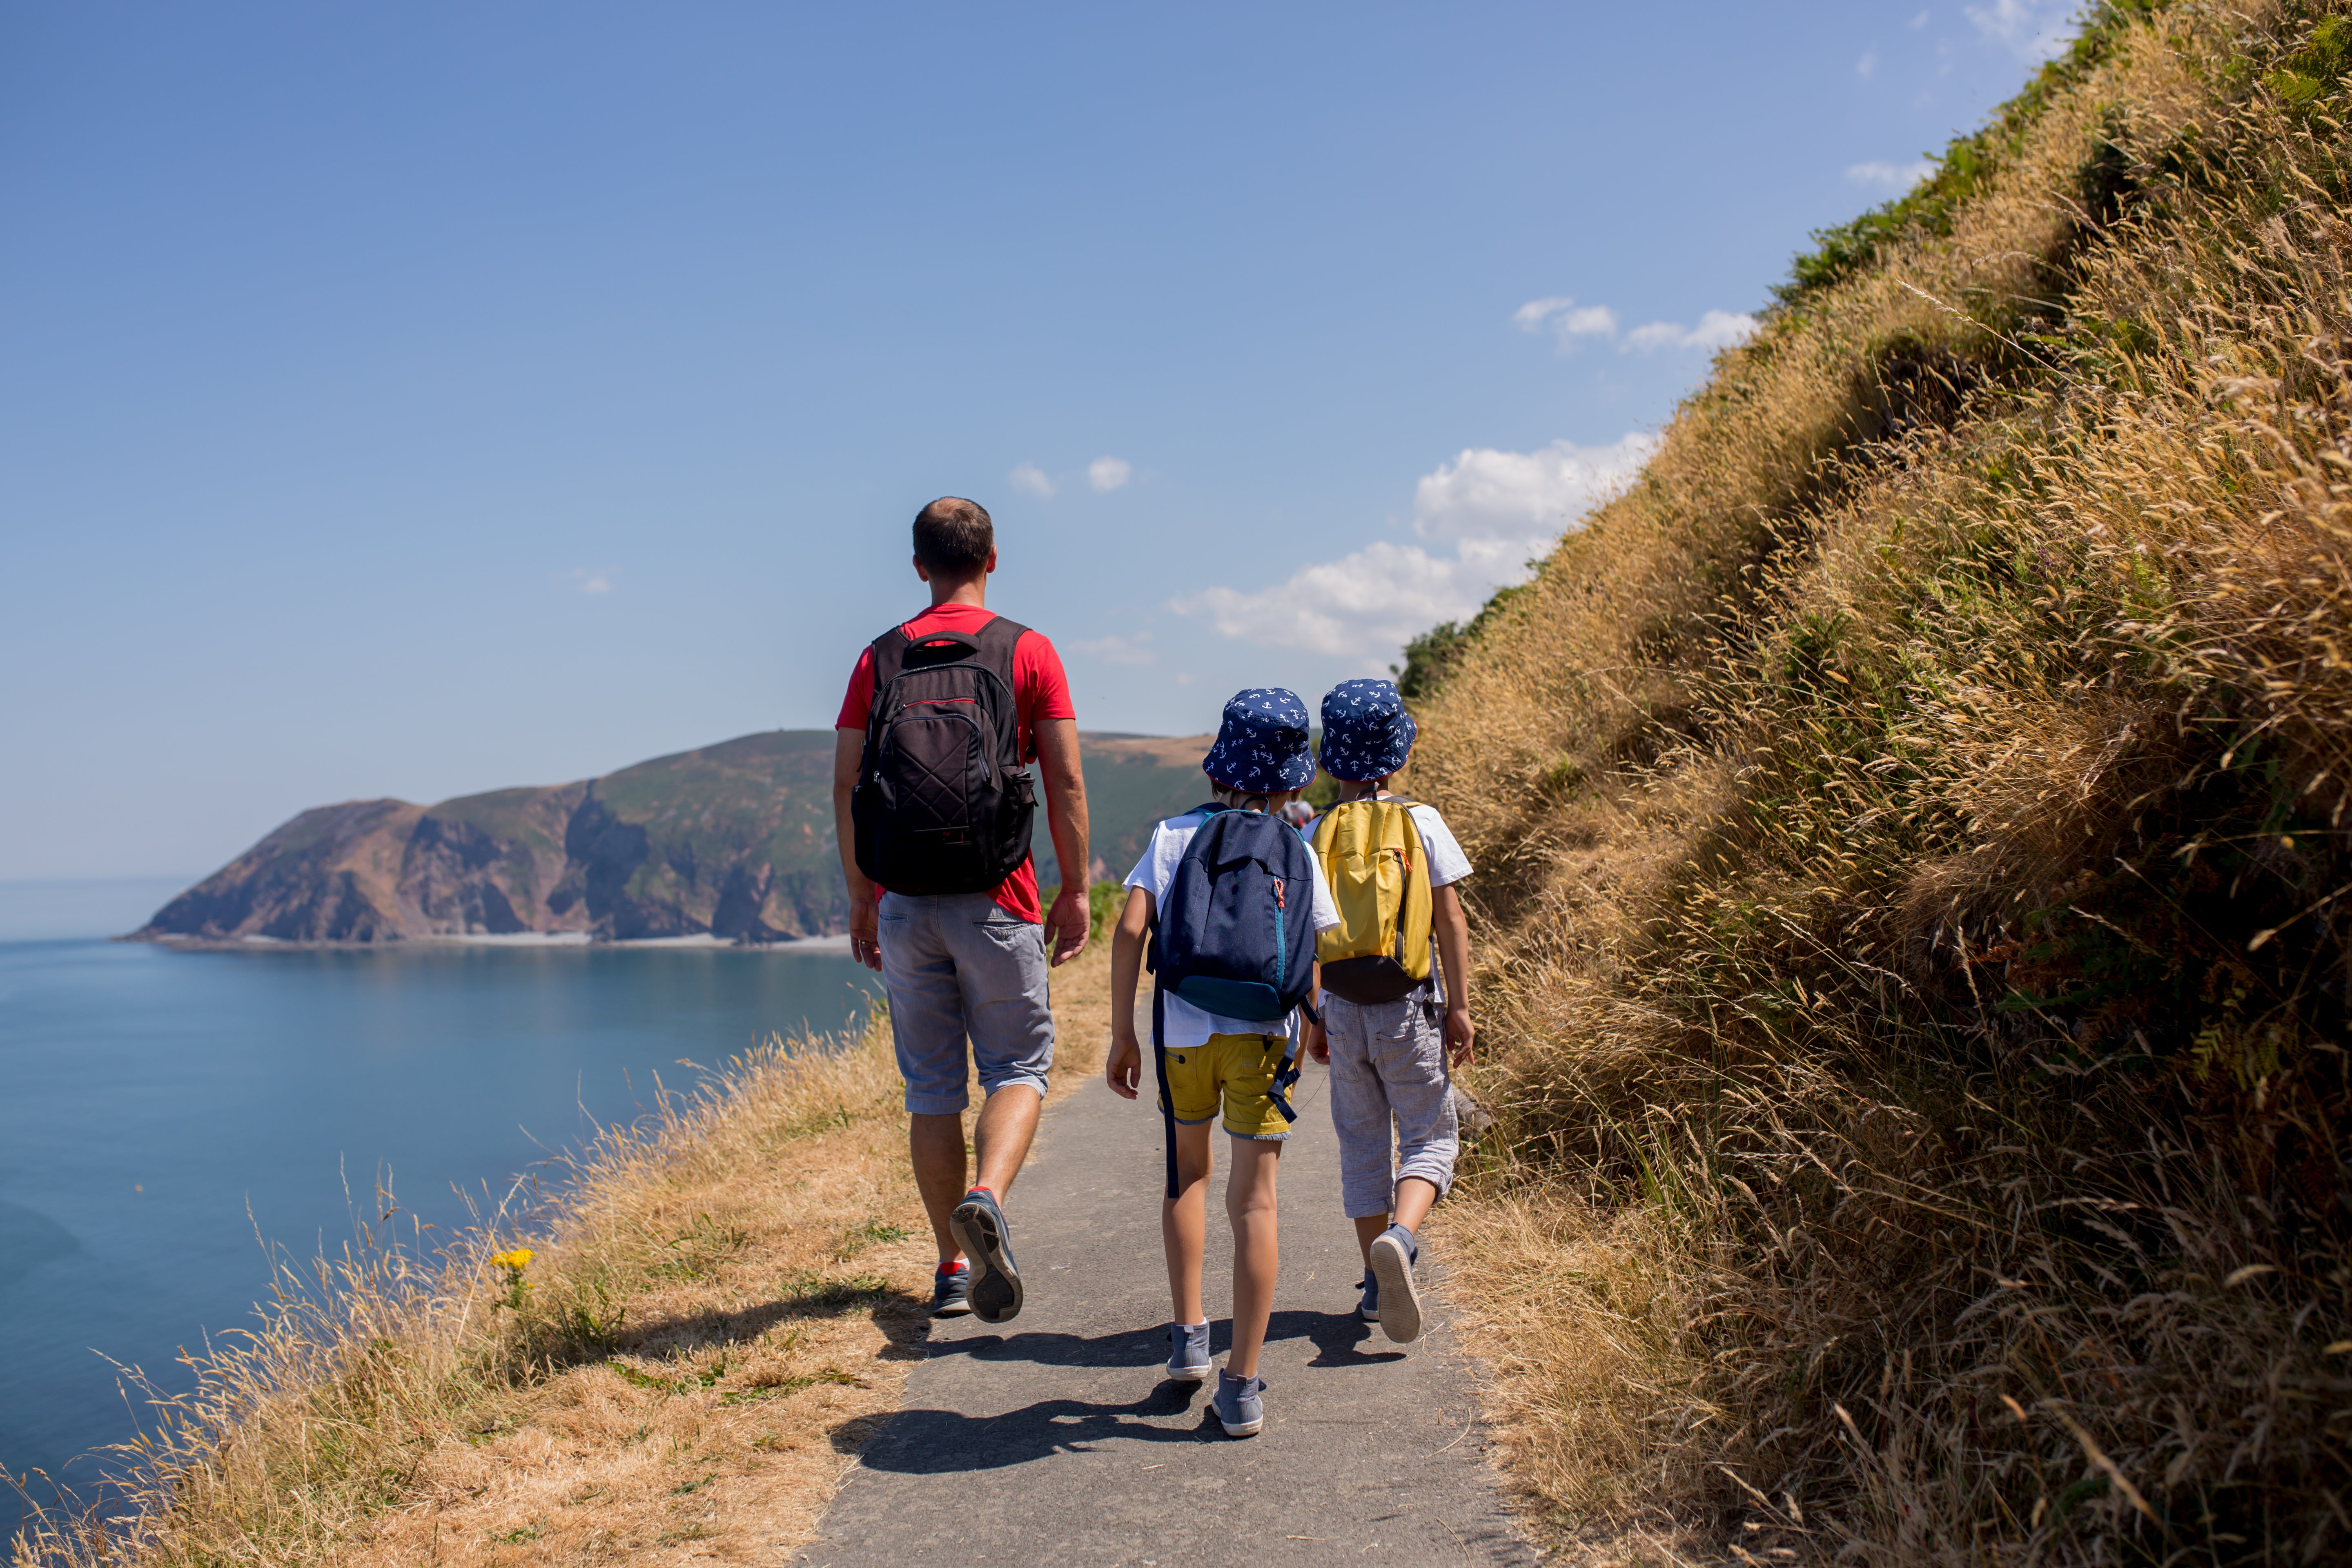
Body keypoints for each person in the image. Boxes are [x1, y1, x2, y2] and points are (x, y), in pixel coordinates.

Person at [832, 497, 1092, 1325]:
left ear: (918, 565)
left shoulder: (878, 660)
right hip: (999, 898)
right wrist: (1076, 888)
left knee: (932, 1092)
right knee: (1018, 1070)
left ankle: (950, 1263)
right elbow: (1066, 782)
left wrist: (862, 899)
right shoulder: (1029, 650)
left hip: (907, 902)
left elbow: (846, 787)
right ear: (993, 557)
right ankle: (987, 1194)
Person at [1105, 690, 1341, 1437]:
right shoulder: (1296, 848)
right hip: (1264, 1039)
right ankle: (1241, 1387)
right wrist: (1316, 1024)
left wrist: (1122, 1035)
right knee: (1256, 1203)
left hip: (1182, 1036)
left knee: (1188, 1178)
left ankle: (1187, 1339)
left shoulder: (1172, 836)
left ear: (1220, 764)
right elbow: (1317, 948)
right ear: (1293, 783)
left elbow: (1129, 931)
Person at [1304, 678, 1474, 1345]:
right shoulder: (1421, 822)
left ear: (1328, 763)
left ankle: (1374, 1286)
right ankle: (1402, 1239)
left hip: (1343, 1010)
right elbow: (1451, 922)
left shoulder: (1316, 831)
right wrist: (1460, 1007)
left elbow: (1309, 937)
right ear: (1397, 756)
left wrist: (1315, 1019)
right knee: (1431, 1134)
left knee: (1362, 1145)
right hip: (1409, 1006)